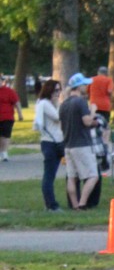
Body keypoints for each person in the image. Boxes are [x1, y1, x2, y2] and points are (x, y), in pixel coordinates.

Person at [58, 73, 100, 210]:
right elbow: (86, 121)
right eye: (84, 84)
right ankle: (82, 203)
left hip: (68, 145)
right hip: (82, 144)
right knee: (93, 176)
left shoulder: (64, 104)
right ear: (78, 86)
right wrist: (93, 111)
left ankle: (74, 204)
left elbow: (62, 125)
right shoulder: (80, 102)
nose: (87, 87)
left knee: (72, 177)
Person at [33, 78, 65, 211]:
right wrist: (58, 104)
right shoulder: (45, 103)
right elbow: (58, 117)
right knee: (49, 175)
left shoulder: (52, 103)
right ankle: (51, 204)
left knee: (69, 171)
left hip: (58, 141)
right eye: (55, 90)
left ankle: (75, 200)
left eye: (59, 90)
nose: (58, 93)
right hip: (50, 143)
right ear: (49, 90)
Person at [0, 74, 23, 162]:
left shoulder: (9, 91)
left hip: (7, 117)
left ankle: (4, 152)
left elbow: (17, 103)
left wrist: (20, 114)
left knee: (5, 135)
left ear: (2, 81)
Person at [89, 65, 114, 130]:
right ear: (106, 73)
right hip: (105, 106)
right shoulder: (109, 80)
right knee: (105, 124)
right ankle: (105, 135)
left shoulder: (91, 79)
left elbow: (87, 91)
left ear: (98, 72)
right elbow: (109, 91)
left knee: (94, 124)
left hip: (93, 105)